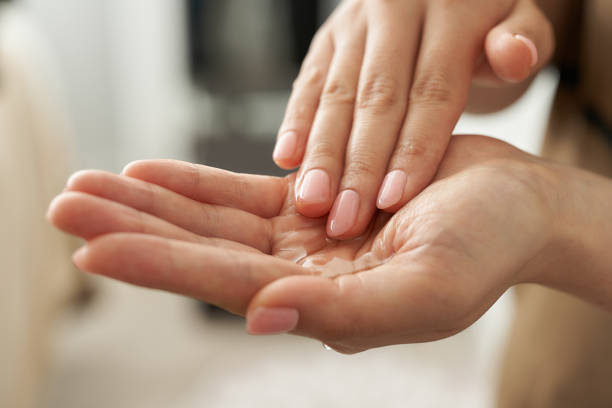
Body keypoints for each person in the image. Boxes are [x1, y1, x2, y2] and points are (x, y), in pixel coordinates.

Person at [47, 0, 612, 405]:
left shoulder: (541, 214)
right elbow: (561, 36)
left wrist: (566, 216)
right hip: (564, 346)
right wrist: (460, 27)